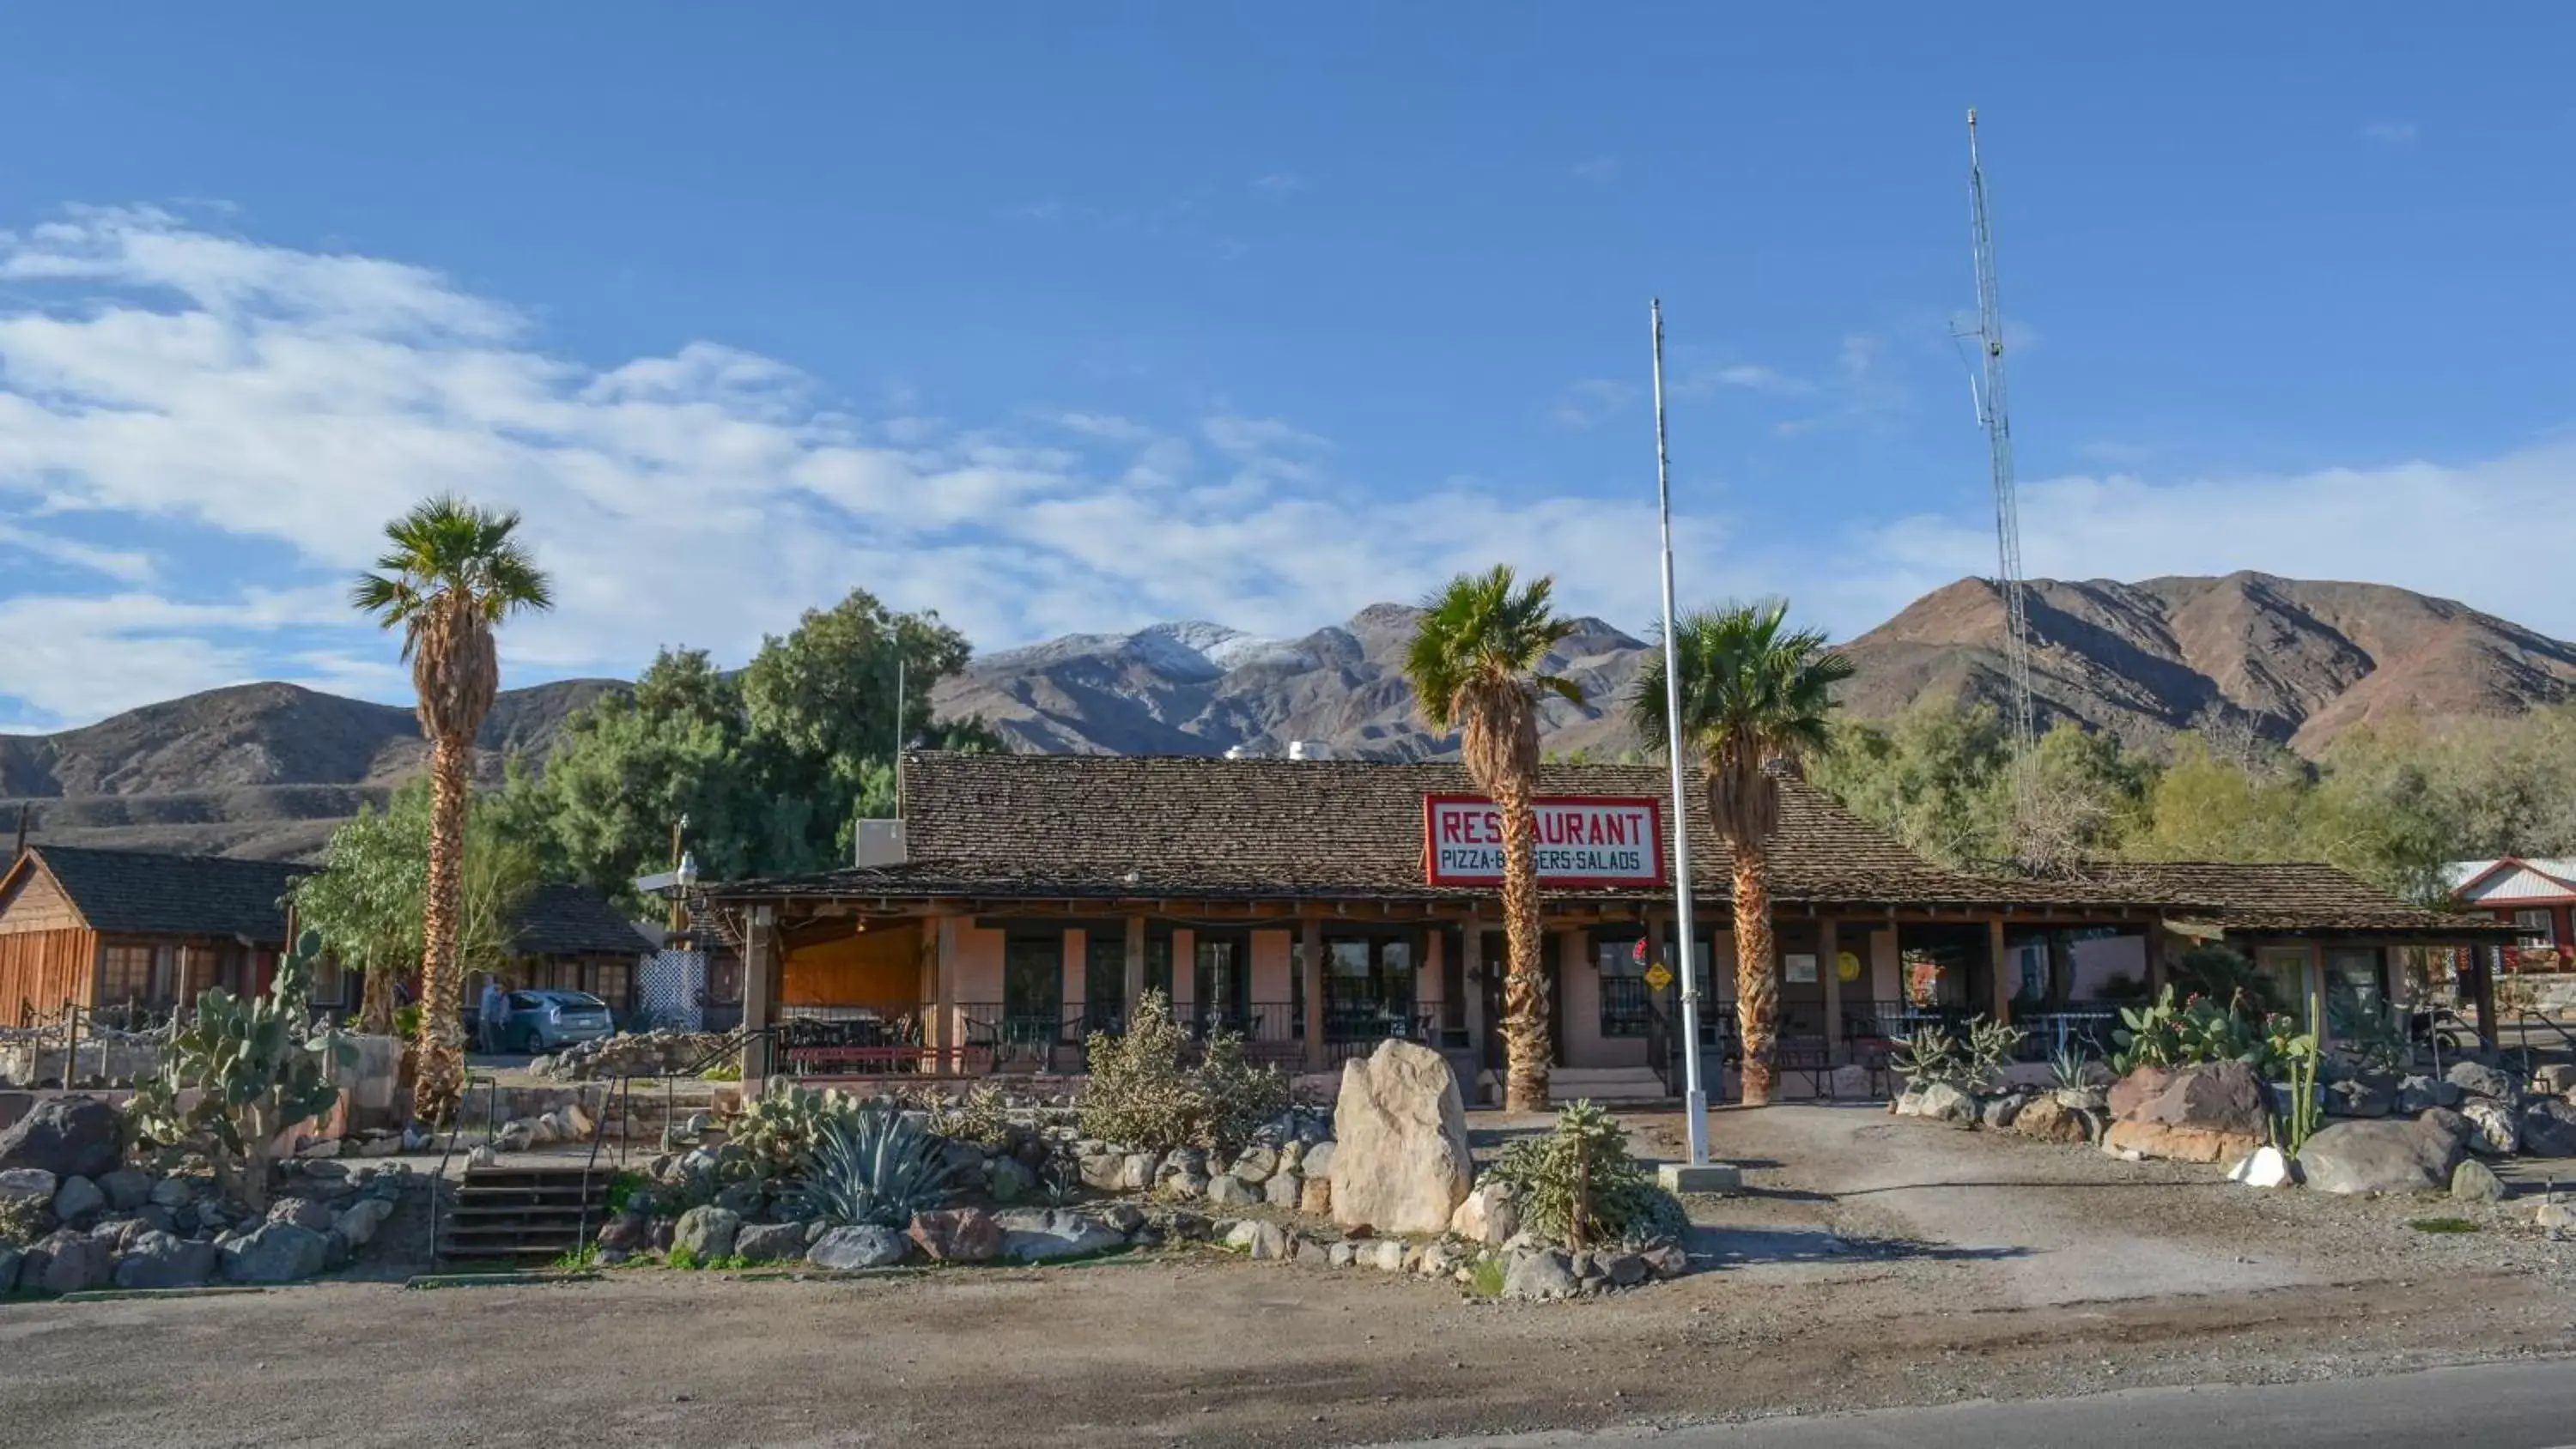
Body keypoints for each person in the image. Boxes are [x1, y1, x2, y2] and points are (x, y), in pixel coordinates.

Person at [477, 976, 507, 1055]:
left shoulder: (493, 989)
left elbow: (499, 996)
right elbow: (482, 1003)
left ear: (491, 980)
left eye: (487, 979)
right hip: (482, 1013)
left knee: (489, 1033)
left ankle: (491, 1049)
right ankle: (484, 1049)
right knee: (482, 1033)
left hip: (488, 1014)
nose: (485, 980)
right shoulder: (485, 990)